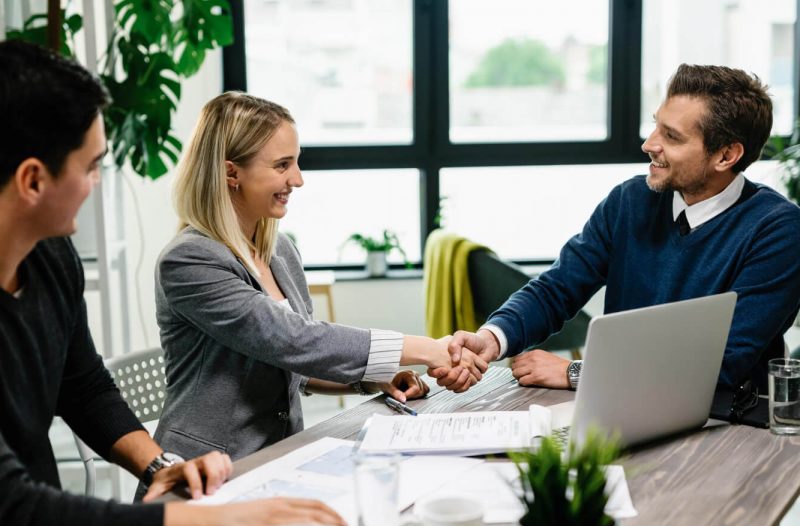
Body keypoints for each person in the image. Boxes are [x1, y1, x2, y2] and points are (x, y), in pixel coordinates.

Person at [0, 40, 345, 526]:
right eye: (92, 167)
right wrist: (211, 520)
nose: (97, 185)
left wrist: (158, 464)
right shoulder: (190, 258)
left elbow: (83, 386)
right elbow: (14, 511)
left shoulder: (51, 258)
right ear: (32, 180)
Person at [152, 92, 486, 463]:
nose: (297, 179)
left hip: (279, 455)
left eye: (296, 162)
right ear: (231, 172)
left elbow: (296, 364)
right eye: (282, 165)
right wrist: (428, 348)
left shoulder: (280, 250)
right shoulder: (189, 260)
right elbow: (294, 341)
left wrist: (371, 379)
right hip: (204, 467)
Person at [444, 64, 800, 394]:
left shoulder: (778, 231)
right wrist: (493, 337)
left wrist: (578, 373)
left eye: (672, 137)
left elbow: (721, 365)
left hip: (727, 428)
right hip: (620, 408)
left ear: (726, 156)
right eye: (656, 125)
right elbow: (558, 287)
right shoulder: (631, 199)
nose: (649, 144)